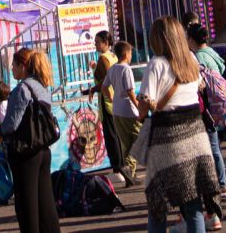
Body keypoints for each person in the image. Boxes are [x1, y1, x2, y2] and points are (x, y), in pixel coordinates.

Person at [134, 17, 218, 233]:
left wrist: (144, 107)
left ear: (157, 38)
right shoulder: (190, 59)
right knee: (192, 202)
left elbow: (143, 107)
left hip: (167, 138)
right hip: (195, 135)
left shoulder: (156, 64)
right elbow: (199, 87)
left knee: (158, 202)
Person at [0, 49, 59, 233]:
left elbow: (11, 124)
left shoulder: (22, 89)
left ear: (23, 66)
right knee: (46, 203)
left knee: (26, 205)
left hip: (25, 151)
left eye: (14, 65)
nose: (12, 69)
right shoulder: (42, 86)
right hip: (43, 148)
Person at [183, 21, 226, 203]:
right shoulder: (212, 53)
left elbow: (202, 84)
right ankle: (221, 183)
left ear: (191, 39)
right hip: (216, 105)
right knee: (214, 147)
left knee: (212, 148)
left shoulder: (199, 58)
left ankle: (221, 184)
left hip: (208, 107)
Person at [105, 41, 142, 187]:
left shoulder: (113, 68)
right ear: (126, 54)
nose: (131, 55)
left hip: (117, 110)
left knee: (126, 143)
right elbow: (130, 91)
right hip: (128, 110)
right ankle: (128, 168)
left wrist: (112, 98)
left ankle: (130, 175)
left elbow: (104, 87)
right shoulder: (126, 69)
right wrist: (139, 107)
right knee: (138, 139)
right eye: (131, 53)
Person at [91, 33, 121, 177]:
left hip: (107, 100)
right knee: (116, 134)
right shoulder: (113, 56)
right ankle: (121, 166)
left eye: (97, 42)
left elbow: (105, 80)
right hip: (116, 99)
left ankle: (117, 168)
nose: (95, 44)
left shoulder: (104, 58)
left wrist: (91, 89)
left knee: (111, 136)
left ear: (105, 42)